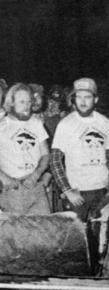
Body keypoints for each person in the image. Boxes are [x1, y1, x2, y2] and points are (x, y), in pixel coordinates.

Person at [50, 78, 109, 272]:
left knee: (101, 242)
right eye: (78, 97)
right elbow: (55, 160)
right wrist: (67, 189)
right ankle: (75, 285)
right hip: (77, 193)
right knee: (74, 242)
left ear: (95, 99)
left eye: (87, 97)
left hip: (101, 192)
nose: (82, 101)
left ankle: (98, 282)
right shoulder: (66, 124)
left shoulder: (105, 123)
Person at [0, 83, 51, 215]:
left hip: (35, 186)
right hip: (12, 189)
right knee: (16, 233)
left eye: (29, 101)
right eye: (22, 102)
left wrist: (36, 174)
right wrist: (5, 179)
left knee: (43, 230)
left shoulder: (36, 123)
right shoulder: (2, 125)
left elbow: (45, 154)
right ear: (11, 103)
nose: (27, 106)